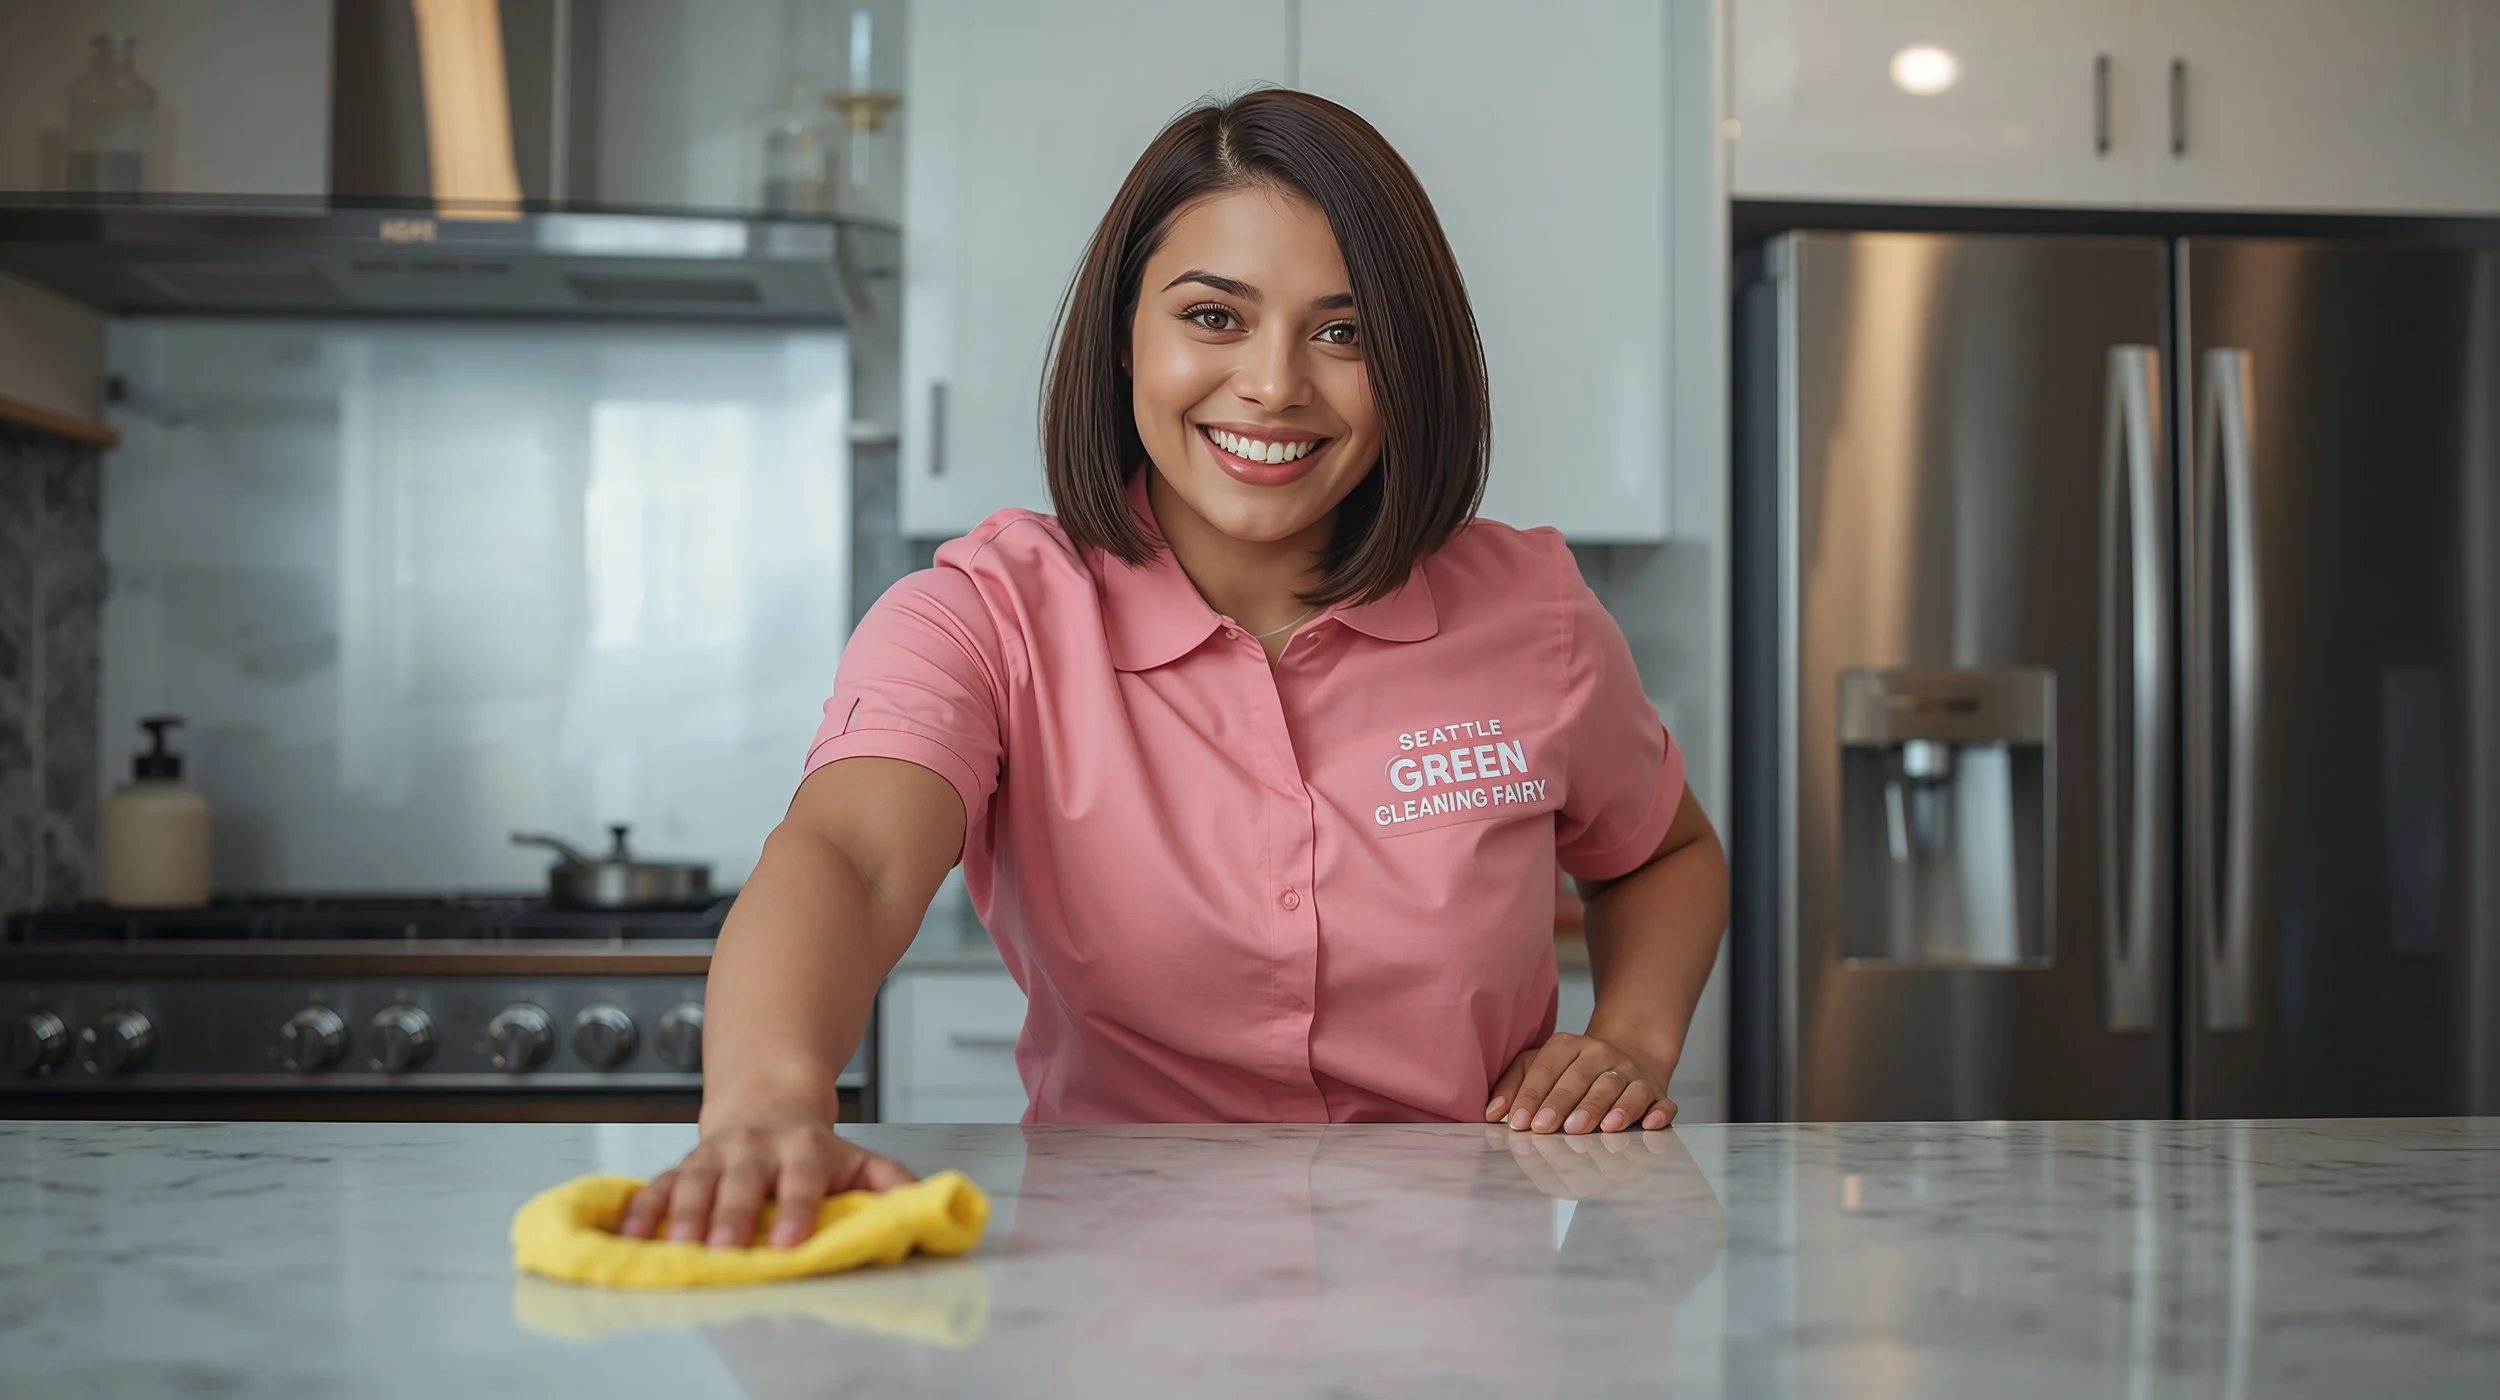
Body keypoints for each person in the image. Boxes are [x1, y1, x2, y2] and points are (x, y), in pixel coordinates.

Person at [620, 89, 1728, 1250]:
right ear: (1124, 335)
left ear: (1414, 362)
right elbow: (848, 857)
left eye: (1344, 332)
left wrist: (1634, 1038)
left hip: (1466, 1285)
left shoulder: (1531, 610)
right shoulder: (986, 615)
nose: (1273, 385)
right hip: (1114, 1283)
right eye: (1213, 317)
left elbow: (1661, 852)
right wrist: (762, 1105)